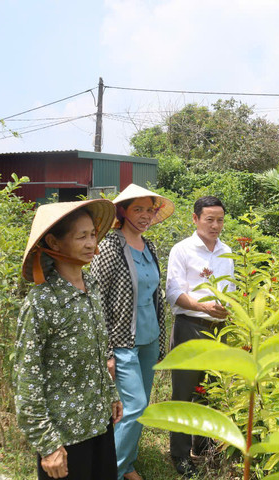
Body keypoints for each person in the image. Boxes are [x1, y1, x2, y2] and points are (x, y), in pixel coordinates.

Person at [15, 199, 123, 480]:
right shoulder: (42, 302)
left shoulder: (93, 287)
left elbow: (99, 352)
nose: (91, 243)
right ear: (54, 241)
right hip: (65, 434)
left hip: (99, 423)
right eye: (81, 236)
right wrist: (48, 445)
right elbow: (27, 377)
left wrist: (110, 394)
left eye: (92, 235)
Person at [90, 184, 175, 480]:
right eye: (137, 209)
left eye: (149, 210)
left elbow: (153, 294)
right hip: (122, 341)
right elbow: (96, 299)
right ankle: (108, 470)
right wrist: (107, 352)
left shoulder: (149, 247)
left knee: (139, 406)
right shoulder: (111, 246)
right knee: (134, 407)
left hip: (149, 338)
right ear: (123, 211)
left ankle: (126, 463)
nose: (145, 216)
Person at [165, 196, 235, 477]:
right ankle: (180, 456)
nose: (215, 225)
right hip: (190, 327)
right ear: (195, 219)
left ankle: (203, 449)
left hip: (219, 331)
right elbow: (173, 292)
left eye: (219, 219)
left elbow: (229, 292)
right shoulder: (182, 250)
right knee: (183, 394)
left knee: (210, 393)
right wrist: (202, 306)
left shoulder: (227, 251)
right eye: (209, 219)